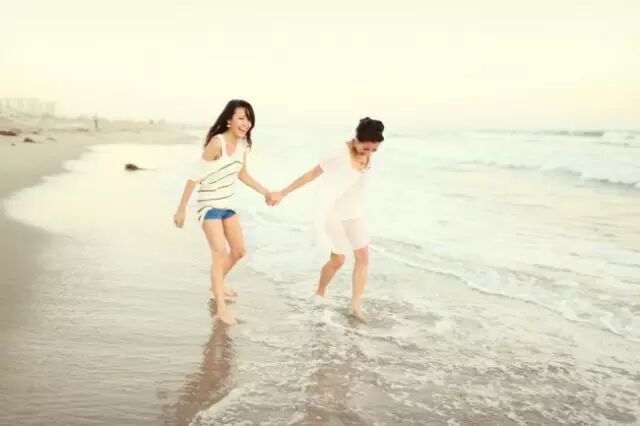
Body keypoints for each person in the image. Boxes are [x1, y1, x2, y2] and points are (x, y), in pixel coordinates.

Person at [267, 117, 385, 321]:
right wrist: (283, 192)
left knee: (363, 256)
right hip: (332, 211)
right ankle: (320, 293)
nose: (369, 153)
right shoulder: (338, 153)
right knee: (338, 259)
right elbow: (312, 174)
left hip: (354, 212)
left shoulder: (368, 153)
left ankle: (355, 306)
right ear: (356, 139)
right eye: (366, 148)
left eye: (374, 150)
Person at [173, 99, 270, 325]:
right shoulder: (217, 143)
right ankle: (221, 308)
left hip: (227, 205)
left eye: (249, 119)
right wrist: (181, 209)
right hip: (209, 205)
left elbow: (242, 174)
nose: (246, 123)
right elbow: (194, 175)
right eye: (241, 118)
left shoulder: (243, 145)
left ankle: (216, 283)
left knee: (238, 251)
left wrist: (265, 192)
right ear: (228, 121)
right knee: (219, 252)